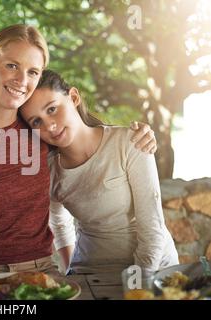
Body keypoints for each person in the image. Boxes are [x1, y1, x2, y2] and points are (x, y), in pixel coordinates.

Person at [0, 24, 157, 281]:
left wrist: (140, 134)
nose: (22, 80)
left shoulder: (40, 132)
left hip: (42, 274)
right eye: (12, 65)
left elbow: (92, 142)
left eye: (32, 71)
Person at [19, 69, 179, 274]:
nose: (49, 126)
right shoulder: (49, 170)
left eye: (51, 109)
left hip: (155, 270)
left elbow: (152, 229)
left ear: (74, 97)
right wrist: (71, 273)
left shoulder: (130, 142)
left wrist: (138, 284)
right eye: (36, 121)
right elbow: (59, 223)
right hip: (91, 273)